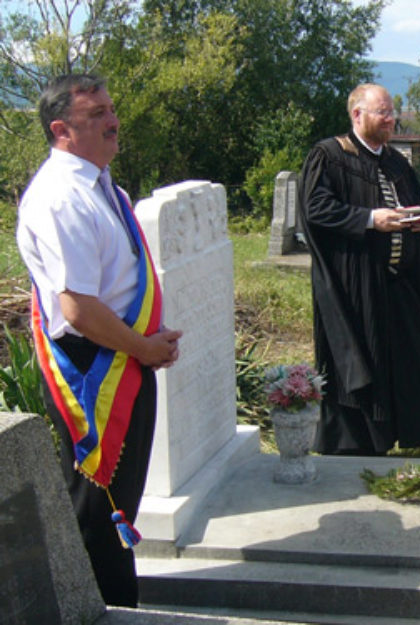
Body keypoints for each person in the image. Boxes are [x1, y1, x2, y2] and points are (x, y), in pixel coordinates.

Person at [17, 74, 182, 606]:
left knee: (119, 505)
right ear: (61, 130)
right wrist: (144, 347)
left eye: (112, 108)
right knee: (100, 511)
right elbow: (79, 308)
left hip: (124, 357)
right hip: (94, 371)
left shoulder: (100, 182)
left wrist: (147, 344)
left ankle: (115, 606)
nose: (113, 121)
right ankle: (101, 612)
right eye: (97, 116)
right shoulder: (61, 197)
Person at [298, 83, 420, 455]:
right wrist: (370, 219)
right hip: (354, 286)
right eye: (382, 112)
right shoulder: (329, 156)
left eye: (391, 113)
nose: (390, 120)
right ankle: (357, 447)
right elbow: (316, 209)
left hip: (401, 285)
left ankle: (403, 435)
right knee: (361, 362)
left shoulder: (396, 162)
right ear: (357, 115)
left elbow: (415, 206)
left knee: (406, 360)